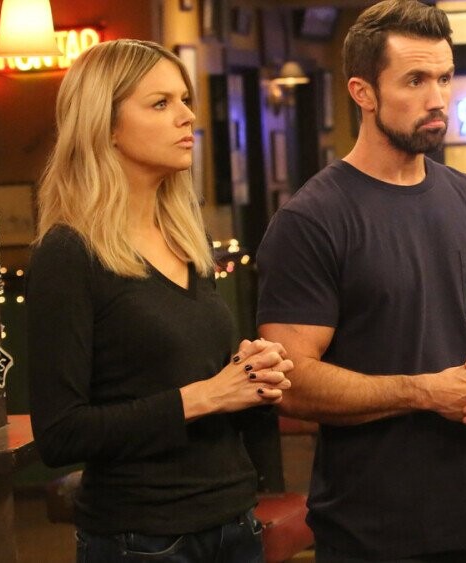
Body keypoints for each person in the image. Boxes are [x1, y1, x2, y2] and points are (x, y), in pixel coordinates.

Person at [255, 1, 466, 561]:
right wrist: (422, 392)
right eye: (415, 80)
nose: (437, 98)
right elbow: (289, 382)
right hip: (374, 529)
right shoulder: (312, 219)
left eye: (445, 78)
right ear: (363, 92)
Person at [27, 39, 293, 562]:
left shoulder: (188, 239)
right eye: (161, 103)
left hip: (233, 521)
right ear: (106, 125)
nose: (187, 116)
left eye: (185, 100)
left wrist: (251, 372)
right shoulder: (69, 252)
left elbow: (197, 374)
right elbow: (60, 434)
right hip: (142, 539)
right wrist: (207, 396)